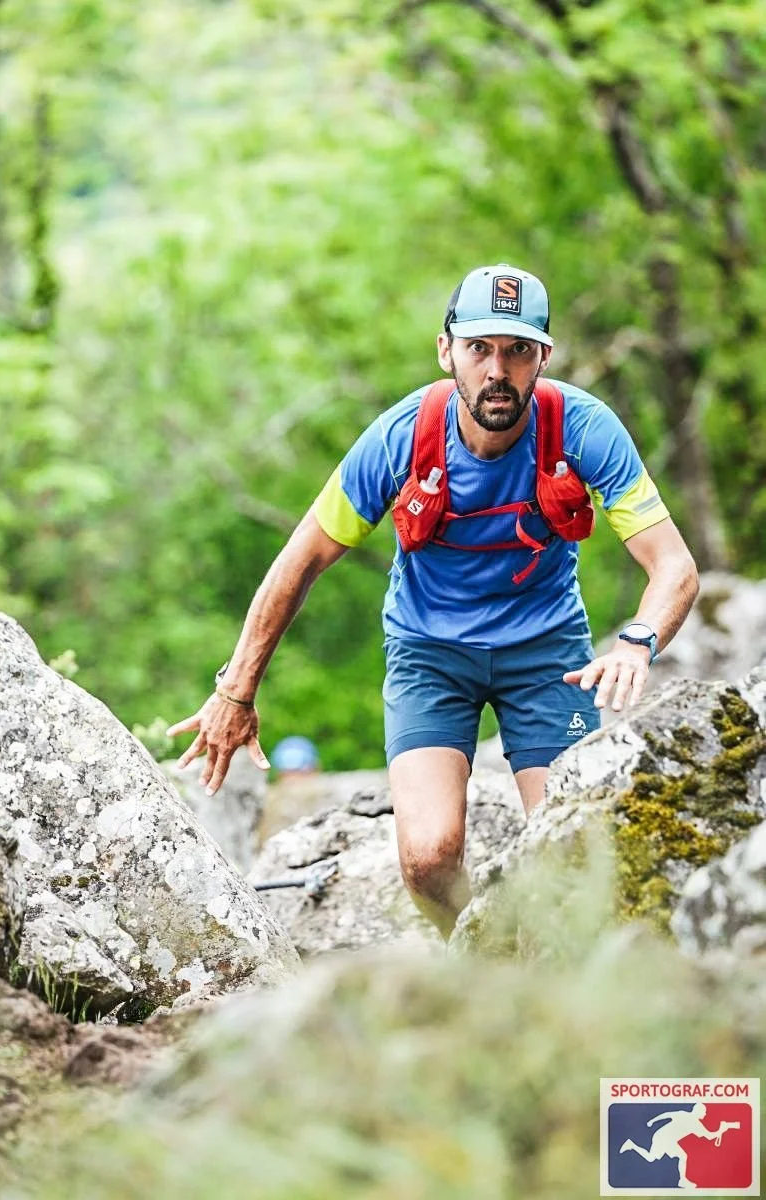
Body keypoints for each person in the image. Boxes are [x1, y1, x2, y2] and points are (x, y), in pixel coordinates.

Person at [167, 263, 699, 939]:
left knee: (573, 855)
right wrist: (235, 691)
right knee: (426, 860)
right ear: (445, 349)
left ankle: (568, 998)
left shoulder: (582, 430)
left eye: (516, 351)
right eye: (479, 348)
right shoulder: (400, 438)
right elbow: (300, 559)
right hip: (429, 656)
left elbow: (674, 567)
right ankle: (478, 967)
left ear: (543, 357)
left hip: (546, 656)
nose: (496, 371)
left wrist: (638, 637)